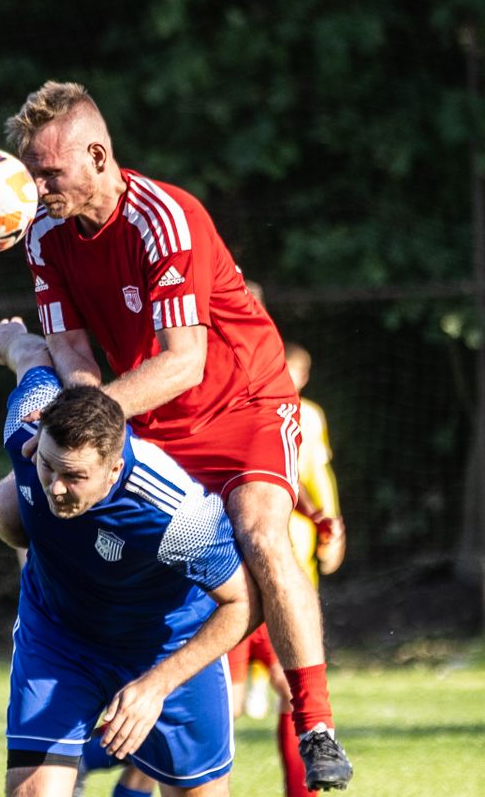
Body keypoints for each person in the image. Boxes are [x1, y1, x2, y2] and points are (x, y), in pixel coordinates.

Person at [0, 81, 352, 790]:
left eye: (48, 173)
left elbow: (185, 360)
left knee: (258, 531)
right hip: (147, 408)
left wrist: (87, 418)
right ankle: (112, 695)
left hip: (241, 400)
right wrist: (76, 418)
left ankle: (314, 722)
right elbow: (70, 349)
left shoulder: (166, 216)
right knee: (17, 505)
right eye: (31, 174)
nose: (36, 188)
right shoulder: (42, 232)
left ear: (97, 155)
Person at [0, 318, 255, 797]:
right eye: (47, 466)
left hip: (164, 645)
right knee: (9, 507)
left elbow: (243, 602)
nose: (55, 486)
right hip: (60, 637)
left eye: (74, 476)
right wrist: (13, 342)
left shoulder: (174, 512)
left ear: (113, 471)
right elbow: (31, 361)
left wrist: (158, 685)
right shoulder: (27, 433)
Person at [226, 341, 348, 797]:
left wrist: (326, 523)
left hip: (286, 568)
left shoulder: (300, 415)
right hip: (224, 577)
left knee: (288, 687)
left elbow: (303, 478)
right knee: (211, 710)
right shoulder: (216, 400)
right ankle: (91, 759)